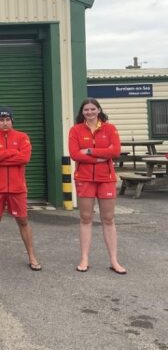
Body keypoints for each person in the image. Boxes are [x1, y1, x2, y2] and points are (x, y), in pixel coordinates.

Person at [0, 107, 41, 271]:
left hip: (17, 188)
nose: (4, 123)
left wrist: (2, 157)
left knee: (23, 221)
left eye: (7, 120)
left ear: (12, 121)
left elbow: (25, 158)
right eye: (1, 120)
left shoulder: (22, 137)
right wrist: (12, 153)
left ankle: (32, 257)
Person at [69, 98, 126, 274]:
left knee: (108, 219)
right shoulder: (75, 130)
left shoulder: (110, 128)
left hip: (106, 178)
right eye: (86, 110)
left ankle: (114, 260)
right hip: (84, 178)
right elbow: (74, 154)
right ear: (82, 112)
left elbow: (115, 151)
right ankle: (84, 258)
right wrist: (102, 156)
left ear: (99, 110)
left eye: (93, 109)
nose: (90, 112)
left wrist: (91, 151)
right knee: (86, 218)